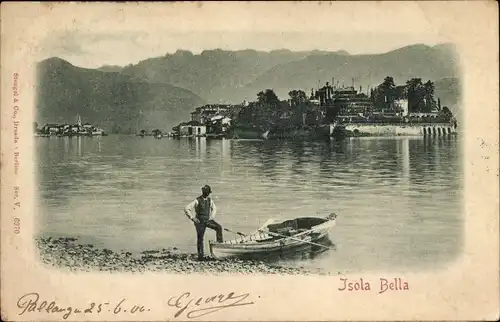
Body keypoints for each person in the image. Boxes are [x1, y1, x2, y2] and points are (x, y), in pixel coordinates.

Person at [184, 185, 223, 261]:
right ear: (204, 192)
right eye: (207, 192)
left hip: (207, 220)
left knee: (218, 227)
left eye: (208, 192)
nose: (207, 194)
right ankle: (200, 256)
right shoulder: (197, 200)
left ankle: (219, 247)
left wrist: (211, 217)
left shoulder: (210, 200)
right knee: (200, 238)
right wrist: (192, 218)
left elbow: (214, 208)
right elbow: (186, 208)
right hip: (199, 222)